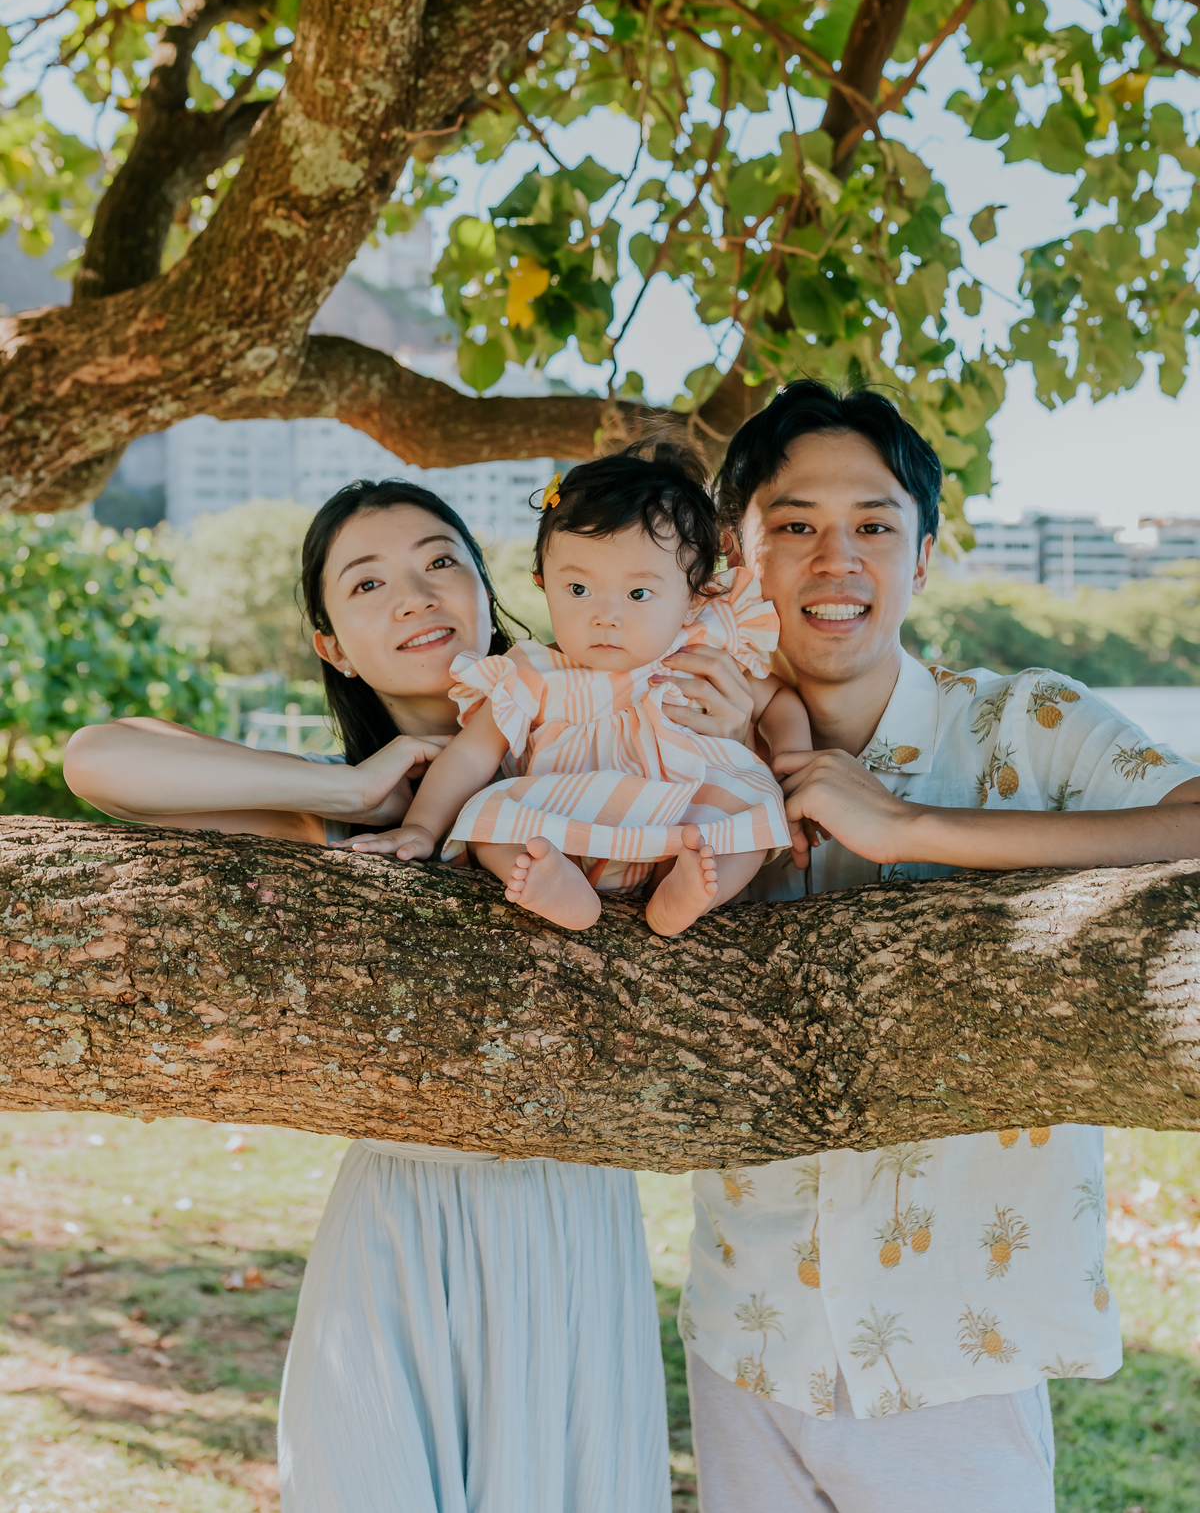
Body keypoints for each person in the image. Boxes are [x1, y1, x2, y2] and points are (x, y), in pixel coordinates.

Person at [64, 478, 680, 1513]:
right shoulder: (337, 812)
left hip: (571, 1222)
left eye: (441, 560)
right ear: (334, 645)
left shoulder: (613, 762)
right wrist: (352, 791)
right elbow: (100, 761)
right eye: (368, 582)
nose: (415, 594)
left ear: (490, 590)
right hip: (397, 1225)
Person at [670, 381, 1200, 1513]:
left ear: (925, 556)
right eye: (795, 525)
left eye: (873, 524)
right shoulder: (682, 739)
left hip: (960, 1336)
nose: (836, 558)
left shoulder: (1026, 722)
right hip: (748, 1323)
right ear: (735, 558)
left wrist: (909, 828)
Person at [355, 444, 809, 936]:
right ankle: (555, 887)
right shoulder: (530, 672)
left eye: (638, 594)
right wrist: (421, 827)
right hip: (566, 821)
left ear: (695, 597)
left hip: (681, 824)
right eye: (577, 590)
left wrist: (793, 764)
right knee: (488, 817)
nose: (604, 615)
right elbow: (469, 757)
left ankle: (687, 895)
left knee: (751, 805)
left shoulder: (705, 643)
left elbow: (779, 701)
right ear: (542, 583)